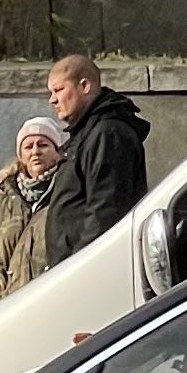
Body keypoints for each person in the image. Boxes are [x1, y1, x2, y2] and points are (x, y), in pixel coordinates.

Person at [46, 52, 154, 262]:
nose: (53, 99)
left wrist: (78, 266)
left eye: (59, 90)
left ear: (85, 86)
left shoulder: (107, 133)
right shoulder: (89, 133)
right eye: (51, 92)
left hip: (90, 267)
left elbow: (105, 211)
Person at [0, 116, 64, 300]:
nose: (35, 152)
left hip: (56, 295)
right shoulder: (4, 201)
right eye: (28, 146)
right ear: (20, 155)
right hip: (14, 302)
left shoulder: (67, 189)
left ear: (57, 151)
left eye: (43, 145)